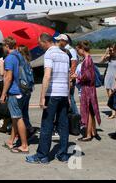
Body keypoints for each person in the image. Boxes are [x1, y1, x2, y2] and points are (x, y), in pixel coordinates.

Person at [26, 33, 70, 164]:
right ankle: (62, 154)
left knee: (47, 124)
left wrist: (41, 97)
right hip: (63, 93)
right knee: (63, 125)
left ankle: (42, 155)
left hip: (52, 93)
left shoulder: (49, 54)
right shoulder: (64, 54)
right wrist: (67, 95)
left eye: (39, 44)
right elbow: (68, 76)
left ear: (46, 42)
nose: (39, 46)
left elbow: (47, 76)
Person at [0, 37, 29, 154]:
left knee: (18, 118)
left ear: (7, 46)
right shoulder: (20, 55)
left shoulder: (10, 58)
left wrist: (3, 93)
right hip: (24, 90)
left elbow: (8, 77)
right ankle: (11, 141)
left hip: (15, 91)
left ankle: (24, 145)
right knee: (15, 117)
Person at [75, 41, 101, 142]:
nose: (78, 52)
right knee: (91, 111)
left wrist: (77, 76)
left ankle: (88, 134)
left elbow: (88, 77)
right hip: (90, 88)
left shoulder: (87, 60)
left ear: (82, 49)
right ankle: (93, 132)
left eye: (78, 50)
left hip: (87, 89)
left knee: (88, 112)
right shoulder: (89, 59)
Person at [55, 34, 79, 115]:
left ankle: (75, 116)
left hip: (69, 78)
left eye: (58, 40)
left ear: (64, 41)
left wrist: (71, 78)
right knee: (68, 97)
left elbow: (74, 64)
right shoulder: (65, 49)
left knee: (70, 97)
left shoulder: (70, 50)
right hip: (66, 77)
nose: (57, 42)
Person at [17, 45, 35, 137]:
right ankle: (29, 128)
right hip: (28, 89)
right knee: (24, 111)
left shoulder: (21, 63)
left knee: (19, 113)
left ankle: (25, 130)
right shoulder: (28, 62)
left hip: (22, 89)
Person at [101, 44, 116, 119]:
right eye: (110, 50)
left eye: (112, 50)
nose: (111, 52)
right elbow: (101, 61)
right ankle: (113, 113)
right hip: (108, 77)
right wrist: (106, 53)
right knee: (110, 97)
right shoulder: (109, 57)